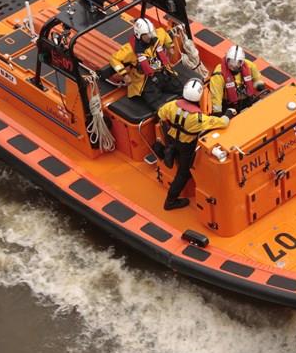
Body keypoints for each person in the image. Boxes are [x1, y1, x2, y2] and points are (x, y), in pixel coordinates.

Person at [157, 79, 230, 210]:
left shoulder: (171, 105)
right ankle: (170, 201)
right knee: (183, 174)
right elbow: (221, 123)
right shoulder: (197, 118)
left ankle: (170, 153)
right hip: (186, 146)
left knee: (176, 154)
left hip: (172, 139)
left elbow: (161, 114)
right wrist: (228, 115)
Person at [109, 17, 184, 110]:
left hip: (163, 73)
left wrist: (170, 46)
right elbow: (114, 59)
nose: (150, 36)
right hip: (146, 81)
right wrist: (124, 75)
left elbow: (163, 33)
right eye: (147, 34)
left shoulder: (157, 36)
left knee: (182, 89)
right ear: (138, 34)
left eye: (151, 33)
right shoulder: (129, 50)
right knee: (159, 106)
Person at [209, 45, 267, 115]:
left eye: (237, 63)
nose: (233, 65)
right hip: (229, 105)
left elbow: (257, 79)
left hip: (247, 99)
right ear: (227, 59)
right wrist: (217, 113)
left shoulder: (250, 66)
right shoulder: (218, 76)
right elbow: (216, 97)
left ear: (242, 62)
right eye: (231, 62)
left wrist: (260, 86)